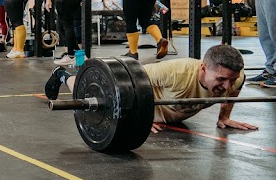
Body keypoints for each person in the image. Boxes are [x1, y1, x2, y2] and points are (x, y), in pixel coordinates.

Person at [44, 44, 257, 134]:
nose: (227, 86)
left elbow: (234, 90)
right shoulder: (175, 72)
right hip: (147, 108)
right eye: (221, 79)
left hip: (173, 114)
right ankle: (63, 75)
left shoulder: (233, 80)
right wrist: (140, 119)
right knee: (86, 92)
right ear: (203, 68)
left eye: (232, 80)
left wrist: (224, 116)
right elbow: (125, 81)